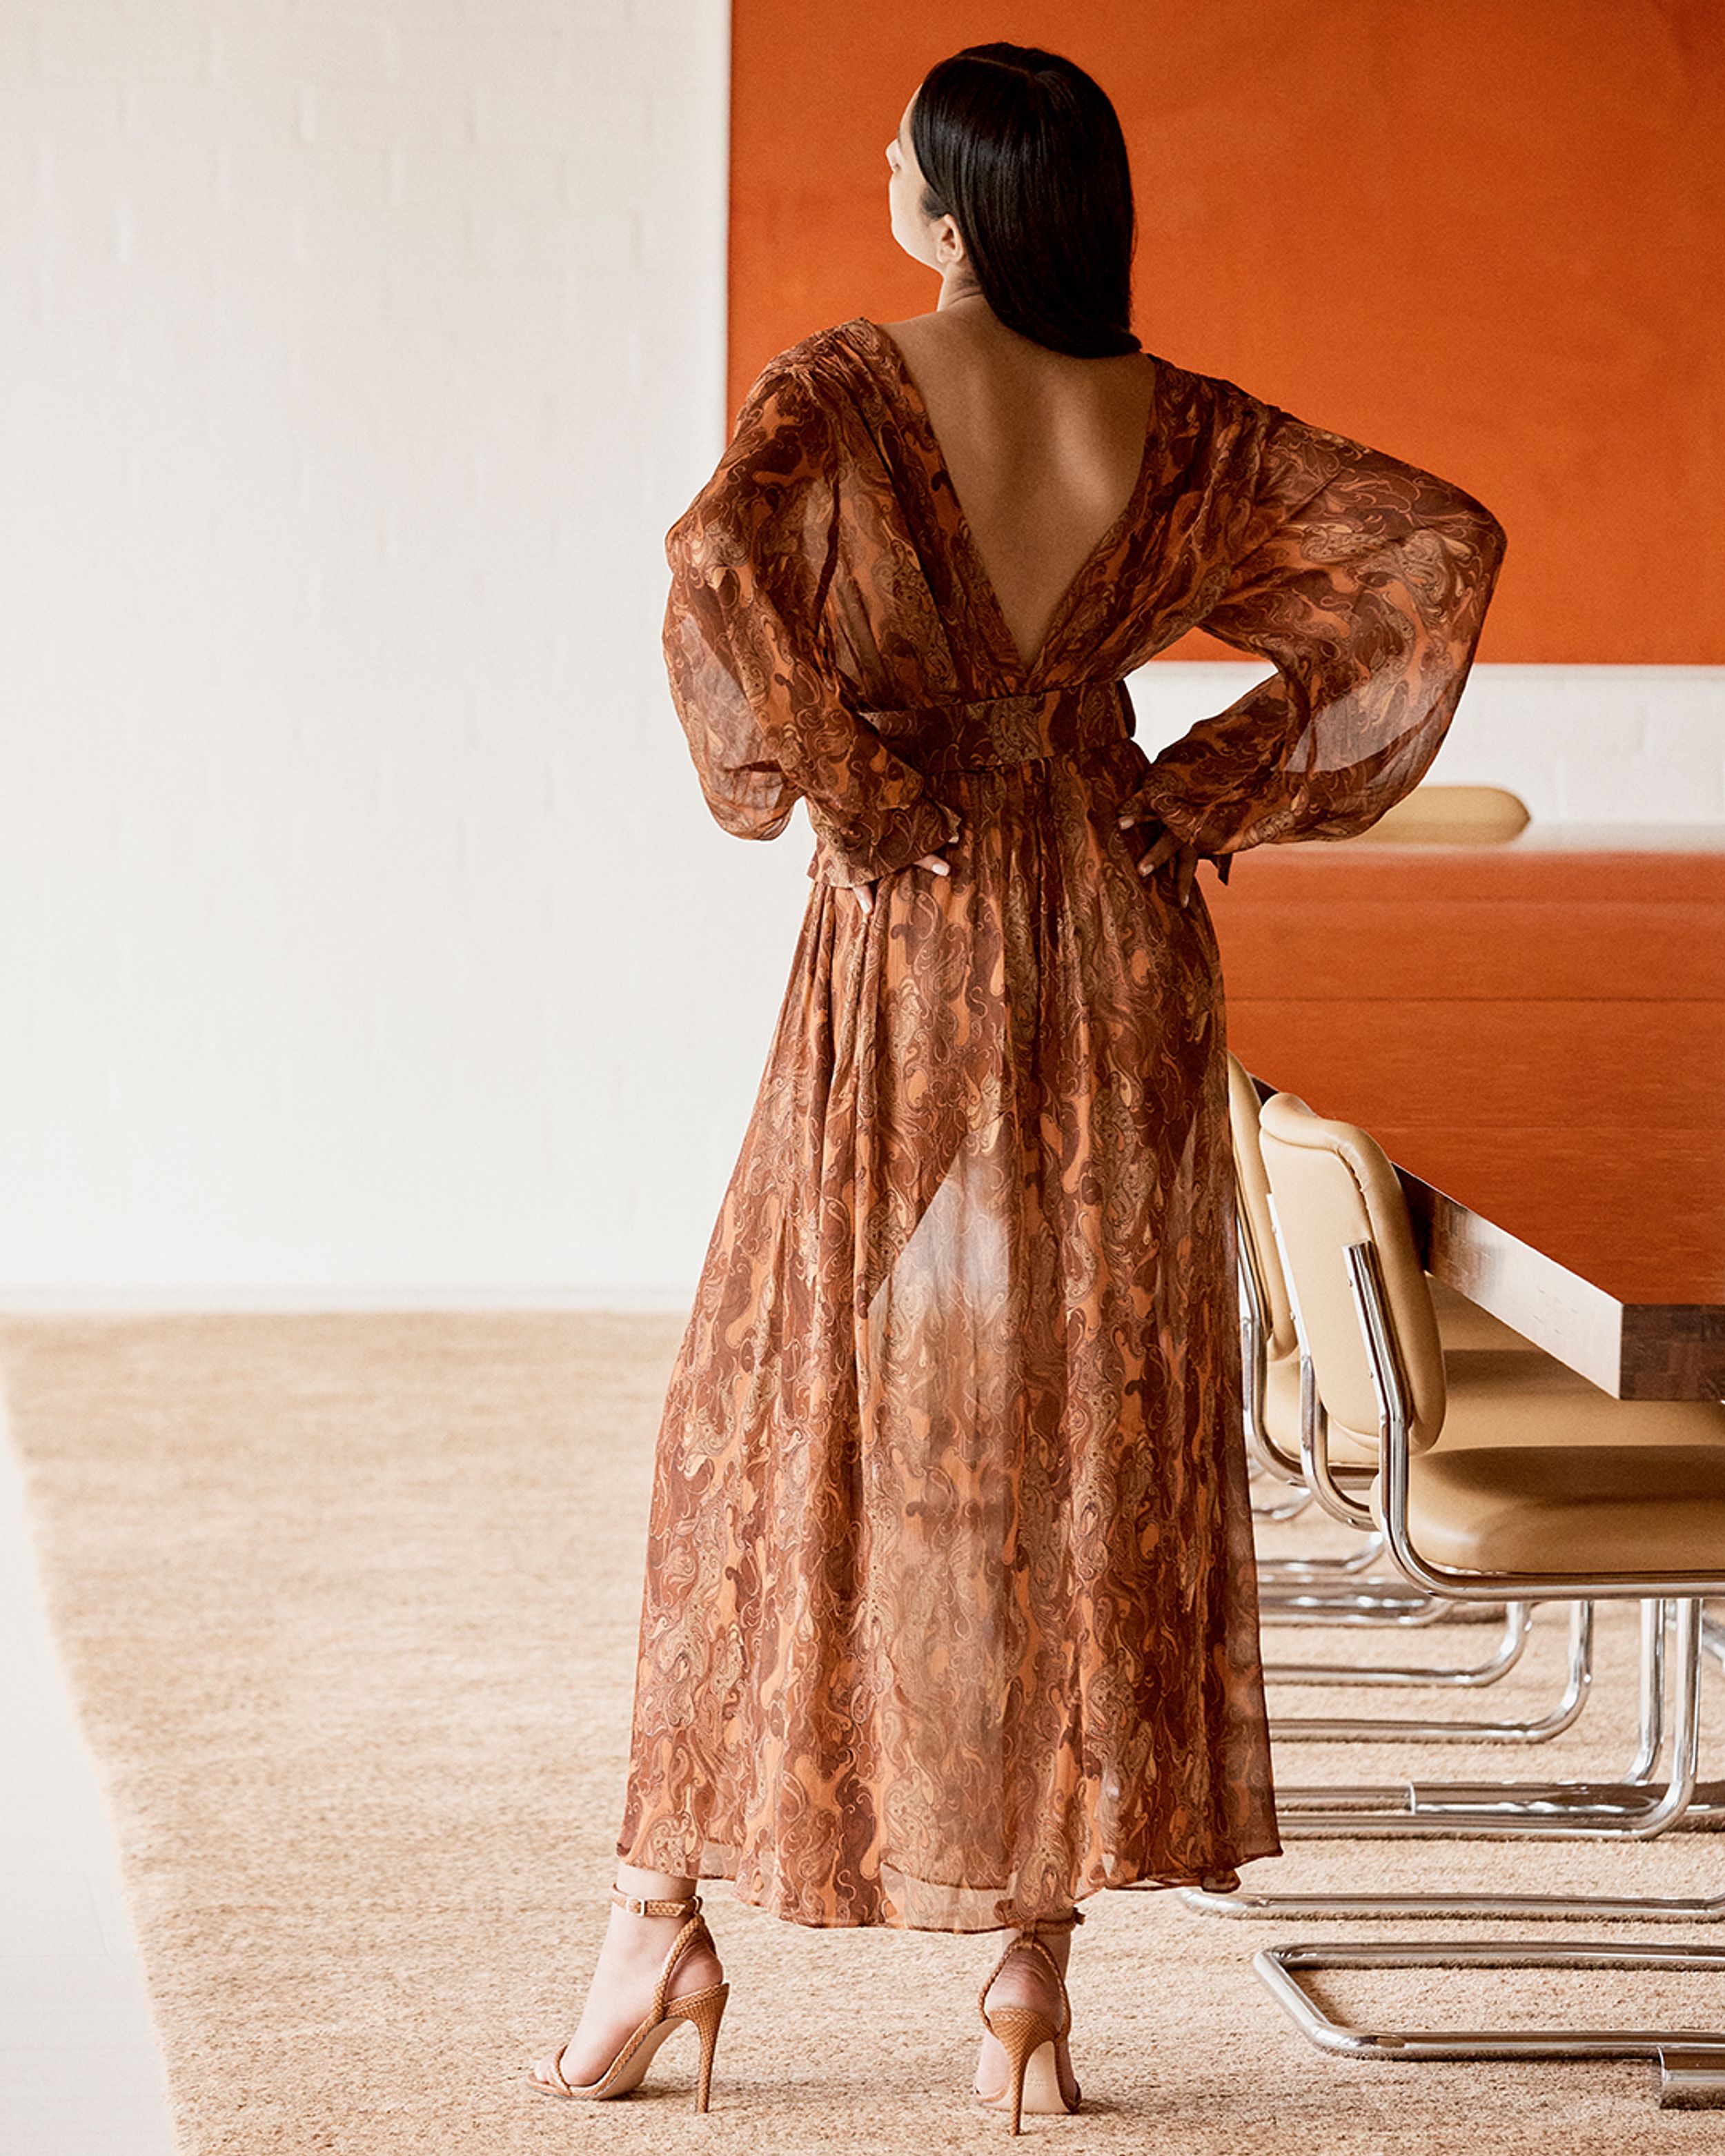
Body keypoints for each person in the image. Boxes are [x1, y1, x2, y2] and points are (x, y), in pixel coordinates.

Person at [531, 41, 1506, 2127]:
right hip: (1121, 932)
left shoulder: (849, 389)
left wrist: (867, 795)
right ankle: (1023, 1989)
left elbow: (713, 571)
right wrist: (1202, 784)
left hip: (926, 939)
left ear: (956, 202)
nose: (876, 161)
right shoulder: (1178, 430)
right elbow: (1433, 551)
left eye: (903, 147)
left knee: (773, 1403)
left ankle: (655, 1917)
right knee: (1076, 1422)